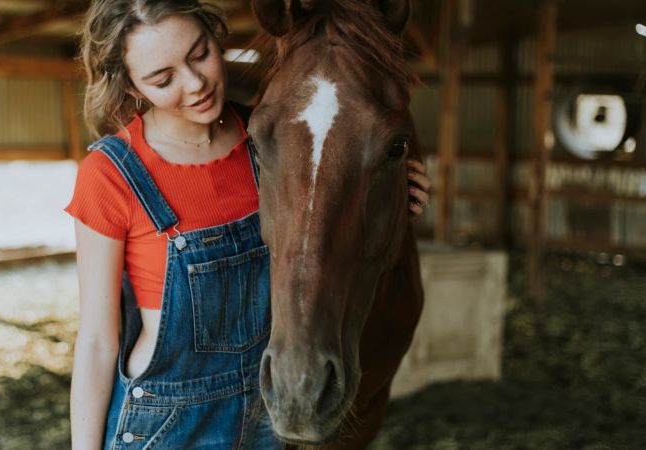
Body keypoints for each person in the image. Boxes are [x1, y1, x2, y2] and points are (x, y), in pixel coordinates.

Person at [64, 1, 432, 448]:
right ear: (133, 87)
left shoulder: (271, 141)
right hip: (164, 426)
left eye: (200, 54)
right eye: (163, 79)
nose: (195, 84)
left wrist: (393, 191)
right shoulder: (110, 175)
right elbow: (99, 342)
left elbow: (328, 200)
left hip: (261, 421)